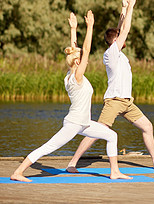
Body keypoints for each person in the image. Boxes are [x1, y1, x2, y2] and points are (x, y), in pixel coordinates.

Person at [11, 11, 131, 182]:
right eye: (82, 60)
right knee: (48, 147)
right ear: (77, 62)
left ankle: (115, 172)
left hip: (84, 123)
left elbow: (74, 50)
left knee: (112, 135)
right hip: (74, 123)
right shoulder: (77, 77)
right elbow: (86, 49)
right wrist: (90, 26)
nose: (86, 61)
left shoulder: (70, 74)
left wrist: (73, 28)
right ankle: (17, 172)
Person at [66, 0, 154, 172]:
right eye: (121, 38)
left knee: (147, 126)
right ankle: (72, 162)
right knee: (98, 131)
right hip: (114, 101)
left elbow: (120, 28)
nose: (125, 39)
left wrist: (123, 8)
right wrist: (131, 6)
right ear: (115, 41)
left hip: (127, 102)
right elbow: (124, 30)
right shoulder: (111, 54)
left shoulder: (117, 53)